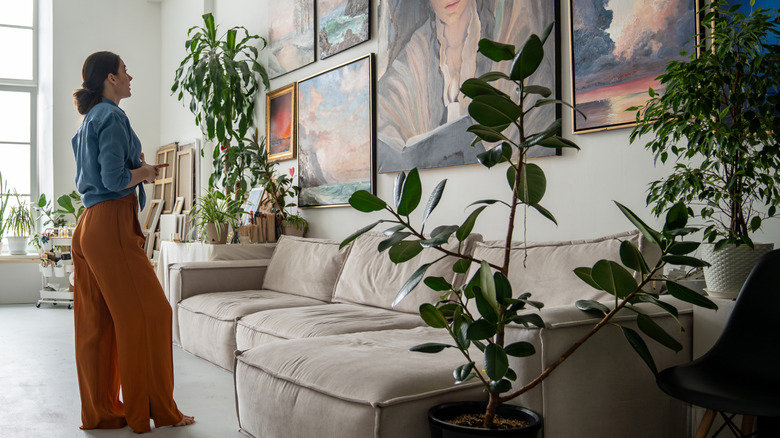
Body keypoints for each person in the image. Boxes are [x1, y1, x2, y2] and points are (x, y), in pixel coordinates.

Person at [70, 51, 194, 433]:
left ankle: (102, 411)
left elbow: (102, 174)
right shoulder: (111, 115)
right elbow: (111, 178)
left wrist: (138, 171)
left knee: (98, 323)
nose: (130, 76)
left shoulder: (91, 119)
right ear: (110, 77)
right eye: (125, 71)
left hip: (89, 224)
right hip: (110, 225)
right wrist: (143, 172)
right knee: (153, 315)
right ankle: (154, 410)